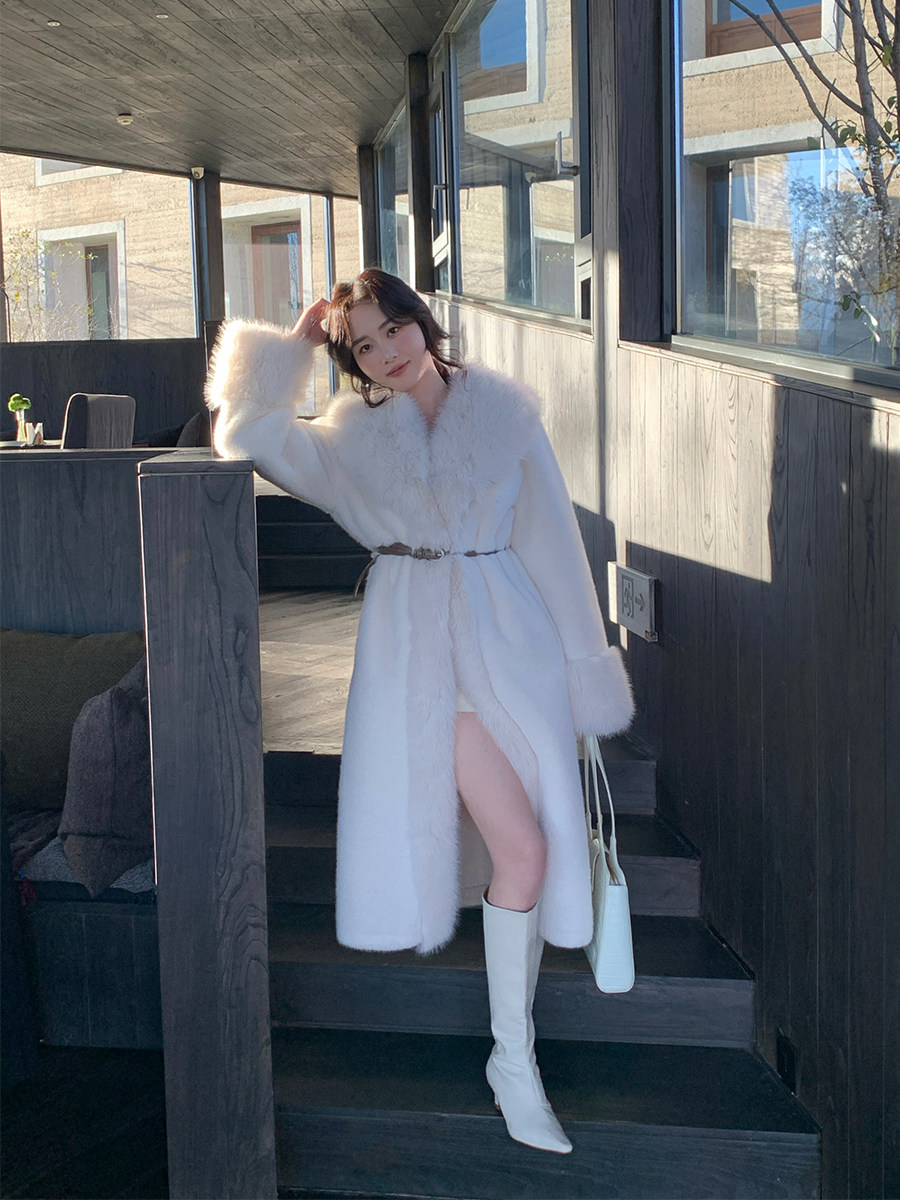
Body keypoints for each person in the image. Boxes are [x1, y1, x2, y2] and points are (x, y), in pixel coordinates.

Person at [206, 269, 634, 1154]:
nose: (386, 353)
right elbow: (242, 432)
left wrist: (585, 672)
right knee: (524, 847)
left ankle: (512, 1056)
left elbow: (556, 547)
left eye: (393, 328)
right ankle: (514, 1062)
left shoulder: (505, 414)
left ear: (420, 320)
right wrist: (294, 347)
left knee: (530, 849)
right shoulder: (348, 438)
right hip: (418, 652)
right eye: (362, 346)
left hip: (515, 643)